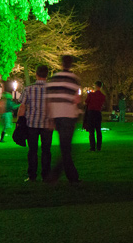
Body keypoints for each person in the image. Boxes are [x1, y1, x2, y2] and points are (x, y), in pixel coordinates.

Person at [45, 55, 81, 184]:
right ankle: (57, 175)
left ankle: (70, 176)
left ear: (61, 64)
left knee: (65, 147)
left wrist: (50, 118)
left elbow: (48, 100)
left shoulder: (53, 79)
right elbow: (76, 99)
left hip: (56, 115)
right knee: (66, 148)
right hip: (69, 115)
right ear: (71, 64)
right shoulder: (74, 79)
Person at [17, 65, 53, 182]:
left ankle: (32, 175)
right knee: (46, 150)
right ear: (47, 75)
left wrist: (19, 122)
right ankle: (46, 175)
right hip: (47, 124)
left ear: (36, 74)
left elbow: (22, 107)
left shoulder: (28, 89)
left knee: (32, 150)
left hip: (32, 123)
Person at [85, 81, 106, 152]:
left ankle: (92, 147)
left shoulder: (91, 95)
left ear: (95, 86)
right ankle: (99, 147)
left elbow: (86, 101)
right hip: (98, 113)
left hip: (91, 113)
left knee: (91, 131)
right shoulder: (102, 96)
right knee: (98, 130)